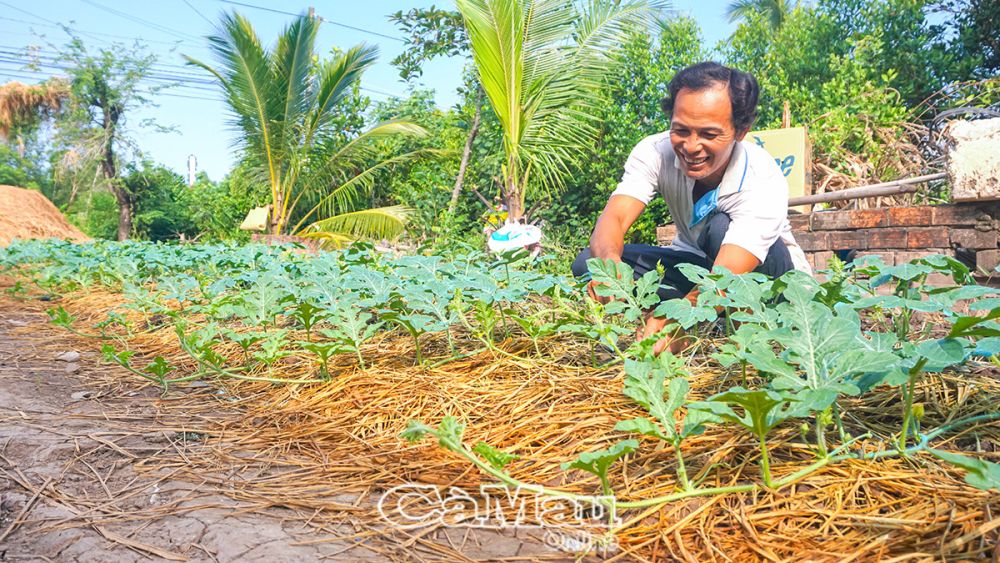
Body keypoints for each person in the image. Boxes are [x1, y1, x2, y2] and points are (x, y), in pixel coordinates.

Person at [572, 62, 811, 355]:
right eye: (680, 130)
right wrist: (611, 266)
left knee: (719, 228)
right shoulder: (654, 152)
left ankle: (720, 325)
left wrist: (680, 318)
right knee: (589, 262)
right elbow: (615, 217)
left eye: (709, 134)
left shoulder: (761, 176)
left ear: (740, 131)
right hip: (697, 266)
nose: (691, 146)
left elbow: (727, 275)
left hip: (769, 279)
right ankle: (674, 323)